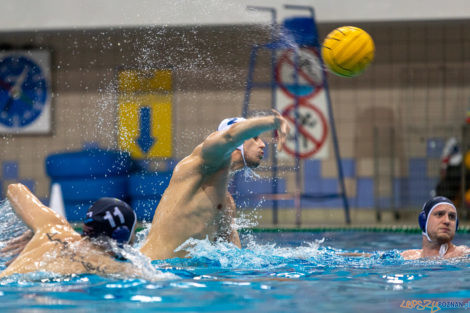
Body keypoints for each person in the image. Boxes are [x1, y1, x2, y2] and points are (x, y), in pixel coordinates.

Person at [140, 110, 289, 259]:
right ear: (239, 142)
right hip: (153, 270)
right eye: (255, 138)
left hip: (184, 276)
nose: (263, 145)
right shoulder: (204, 159)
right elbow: (230, 136)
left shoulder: (227, 203)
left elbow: (235, 257)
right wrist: (273, 121)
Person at [0, 183, 140, 278]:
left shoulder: (53, 227)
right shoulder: (108, 266)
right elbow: (153, 278)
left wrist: (34, 229)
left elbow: (15, 189)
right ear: (121, 236)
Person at [401, 196, 470, 260]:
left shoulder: (464, 255)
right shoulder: (407, 256)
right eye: (440, 214)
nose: (447, 221)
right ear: (424, 220)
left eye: (452, 216)